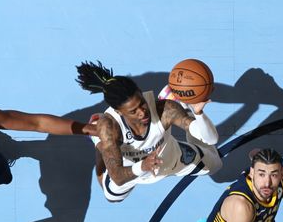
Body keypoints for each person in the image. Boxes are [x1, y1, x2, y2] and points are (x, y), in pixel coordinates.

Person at [75, 61, 222, 202]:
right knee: (112, 198)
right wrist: (143, 166)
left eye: (142, 104)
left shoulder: (165, 109)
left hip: (173, 158)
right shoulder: (109, 127)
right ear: (118, 112)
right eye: (133, 111)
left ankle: (185, 109)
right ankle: (98, 142)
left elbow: (212, 140)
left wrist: (199, 114)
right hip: (132, 170)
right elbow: (118, 177)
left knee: (216, 165)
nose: (142, 113)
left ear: (141, 93)